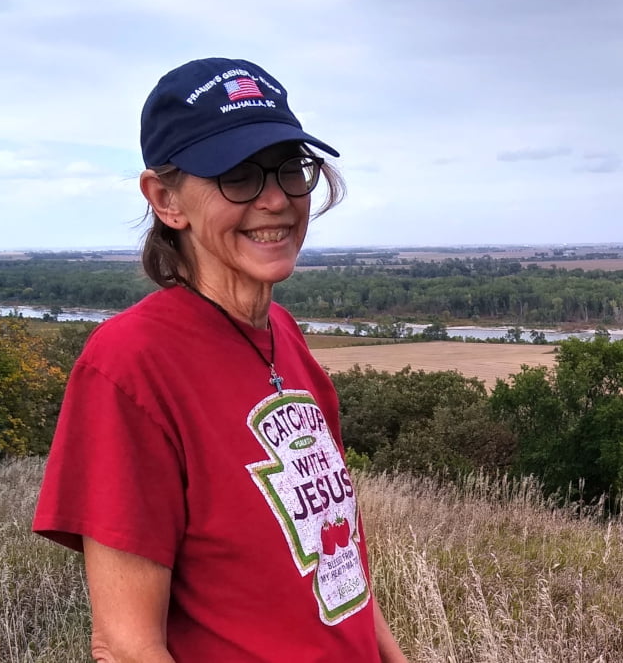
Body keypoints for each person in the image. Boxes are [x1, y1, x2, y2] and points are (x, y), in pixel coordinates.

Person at [33, 57, 408, 662]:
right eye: (238, 176)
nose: (277, 200)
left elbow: (338, 567)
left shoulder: (285, 334)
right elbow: (126, 647)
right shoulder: (132, 364)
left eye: (291, 169)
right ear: (166, 199)